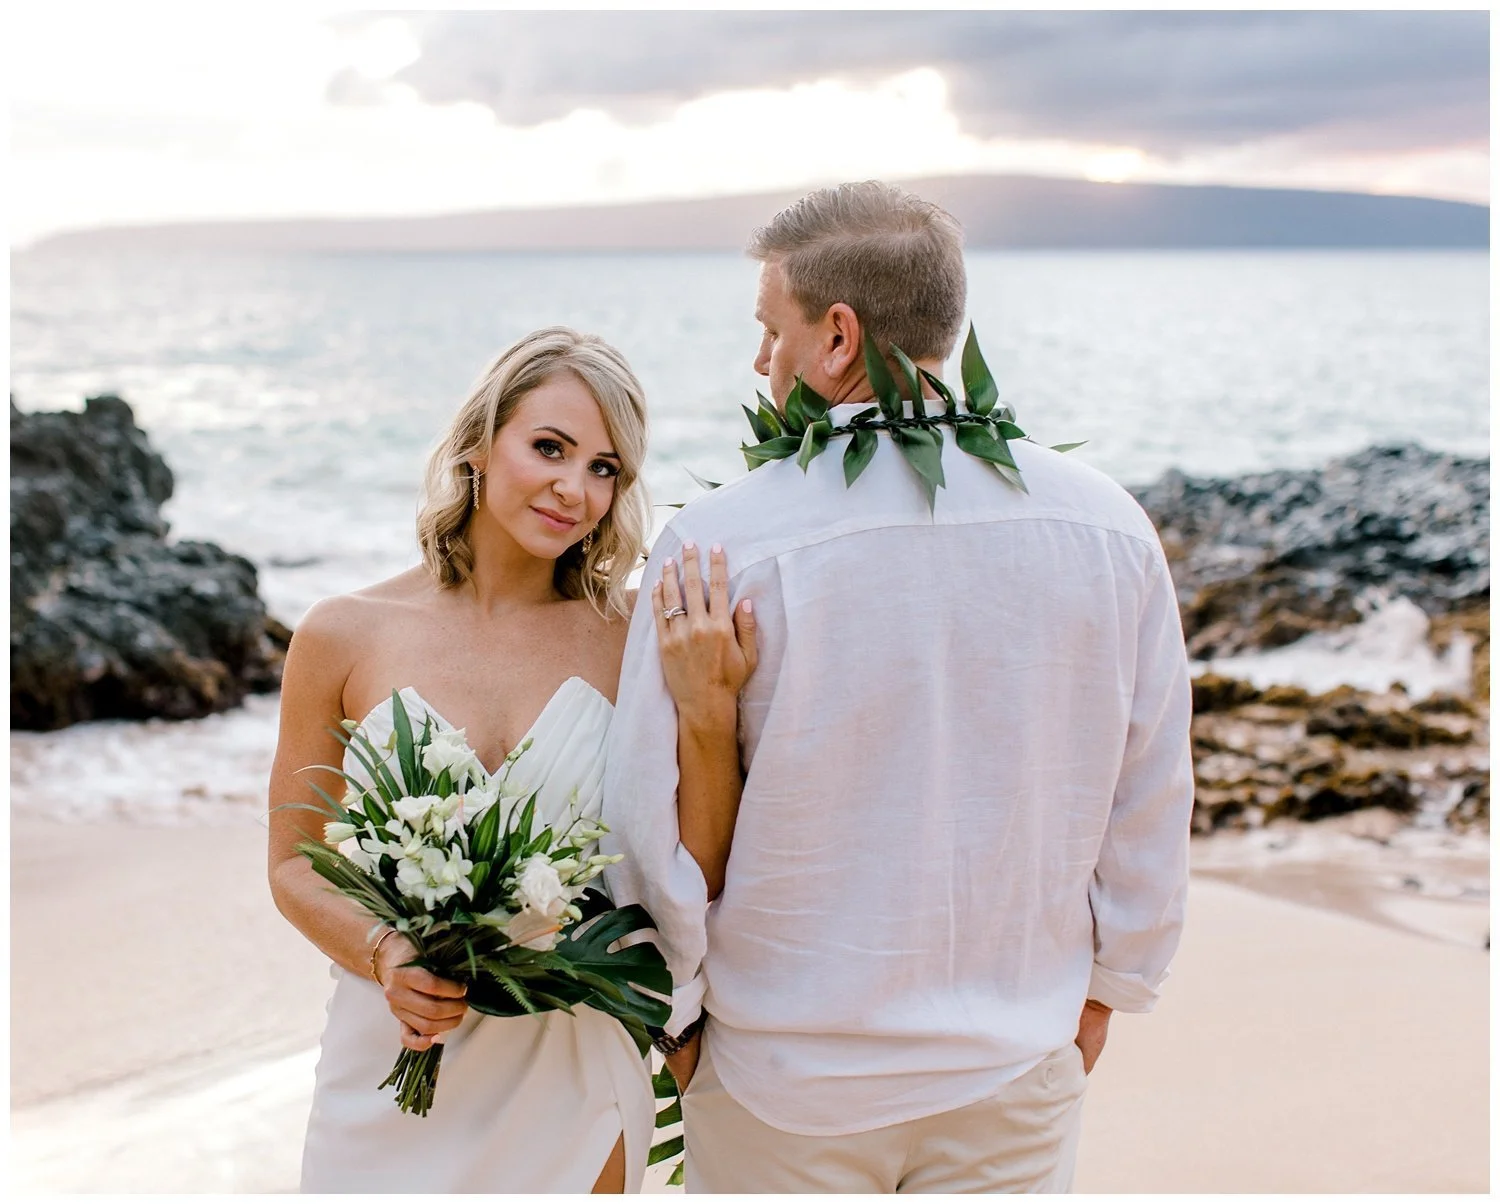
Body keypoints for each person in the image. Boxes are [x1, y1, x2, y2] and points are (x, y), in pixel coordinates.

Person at [604, 182, 1196, 1193]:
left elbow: (644, 819)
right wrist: (1110, 988)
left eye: (770, 330)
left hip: (782, 1083)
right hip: (1013, 1061)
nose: (761, 362)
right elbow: (1150, 794)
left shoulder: (719, 547)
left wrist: (676, 1008)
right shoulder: (1106, 527)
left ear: (838, 335)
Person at [267, 327, 754, 1193]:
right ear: (478, 446)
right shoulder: (341, 634)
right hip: (390, 1060)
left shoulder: (634, 638)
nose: (576, 489)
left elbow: (695, 866)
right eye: (550, 448)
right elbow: (293, 867)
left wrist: (710, 712)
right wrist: (385, 953)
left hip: (576, 1064)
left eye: (607, 469)